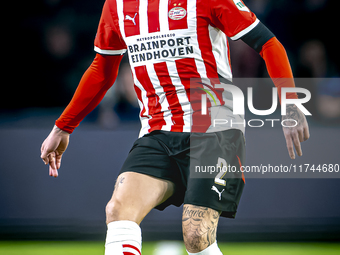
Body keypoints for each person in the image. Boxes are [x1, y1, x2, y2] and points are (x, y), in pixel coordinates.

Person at [40, 0, 310, 254]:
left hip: (215, 127)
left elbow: (268, 43)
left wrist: (290, 103)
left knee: (196, 236)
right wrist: (63, 127)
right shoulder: (118, 5)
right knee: (118, 211)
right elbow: (102, 69)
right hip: (157, 132)